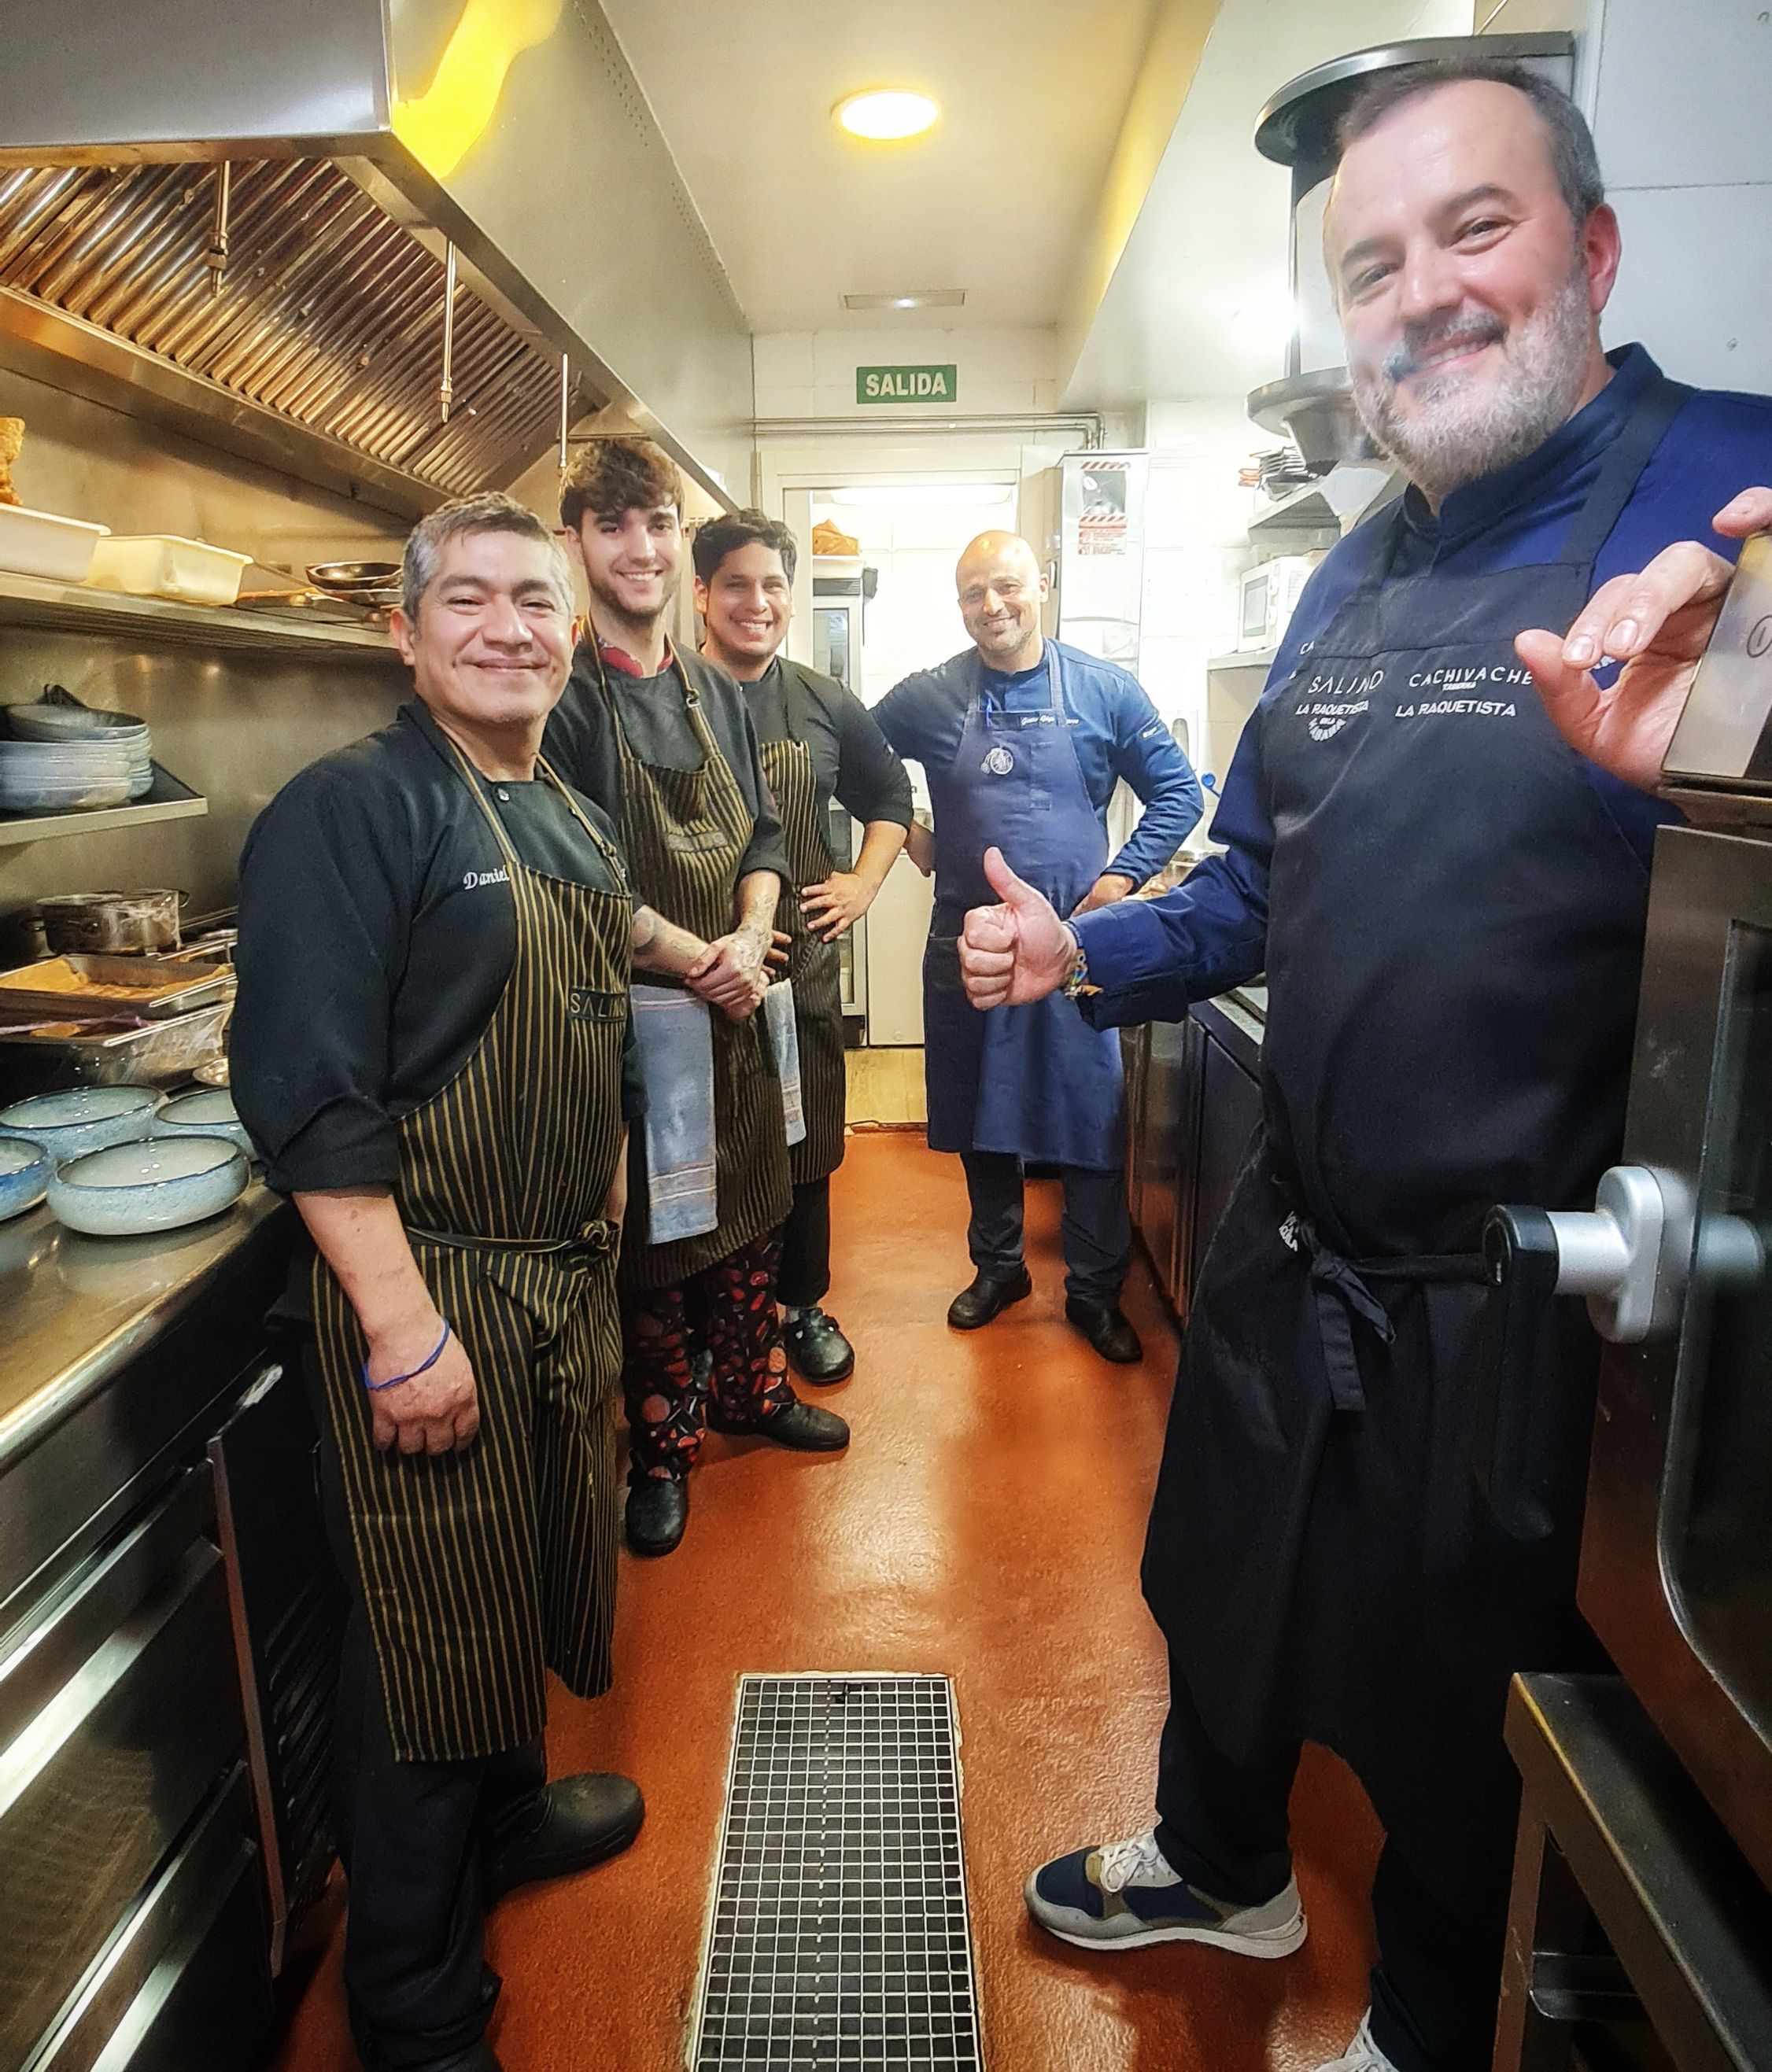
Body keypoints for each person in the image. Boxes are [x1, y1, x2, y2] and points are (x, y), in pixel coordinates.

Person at [961, 61, 1772, 2072]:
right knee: (1214, 1575)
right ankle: (1214, 1858)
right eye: (1369, 264)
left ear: (1587, 247)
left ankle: (1420, 2018)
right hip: (1294, 1245)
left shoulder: (1736, 495)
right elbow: (1243, 876)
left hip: (1535, 1297)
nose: (1417, 295)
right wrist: (1089, 943)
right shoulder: (1353, 564)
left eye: (1470, 229)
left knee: (1452, 1703)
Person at [234, 493, 748, 2072]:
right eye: (468, 600)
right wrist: (401, 1331)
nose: (508, 626)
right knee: (419, 1651)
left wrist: (702, 964)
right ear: (406, 630)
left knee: (515, 1585)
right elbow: (309, 1098)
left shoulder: (560, 811)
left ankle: (506, 1823)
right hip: (434, 1288)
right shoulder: (355, 809)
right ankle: (416, 2005)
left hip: (554, 1287)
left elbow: (601, 970)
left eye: (534, 599)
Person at [544, 438, 848, 1561]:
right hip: (642, 1016)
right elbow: (574, 867)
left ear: (680, 539)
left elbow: (766, 836)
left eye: (657, 523)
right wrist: (694, 957)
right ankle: (664, 1450)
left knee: (757, 1204)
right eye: (613, 525)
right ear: (576, 540)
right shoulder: (566, 699)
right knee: (661, 1246)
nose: (640, 547)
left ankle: (753, 1393)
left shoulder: (716, 689)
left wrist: (755, 933)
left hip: (737, 991)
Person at [873, 532, 1202, 1364]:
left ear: (1041, 586)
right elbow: (854, 752)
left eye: (1007, 587)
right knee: (979, 1112)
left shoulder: (1102, 689)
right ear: (959, 607)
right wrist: (905, 833)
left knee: (1086, 1119)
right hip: (968, 945)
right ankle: (999, 1267)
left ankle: (1092, 1291)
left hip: (1074, 950)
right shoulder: (932, 693)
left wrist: (1121, 880)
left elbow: (1175, 792)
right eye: (974, 594)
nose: (993, 607)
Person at [692, 507, 914, 1383]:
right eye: (736, 585)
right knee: (703, 1147)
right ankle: (713, 1328)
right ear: (702, 594)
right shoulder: (658, 697)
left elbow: (891, 798)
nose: (757, 603)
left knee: (805, 1139)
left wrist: (861, 883)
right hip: (696, 969)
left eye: (772, 586)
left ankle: (800, 1306)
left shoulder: (823, 700)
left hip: (801, 968)